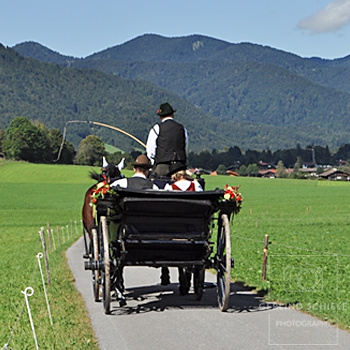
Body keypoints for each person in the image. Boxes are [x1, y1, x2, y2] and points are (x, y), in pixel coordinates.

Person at [146, 102, 188, 181]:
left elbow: (151, 151)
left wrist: (154, 161)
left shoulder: (156, 128)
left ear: (161, 116)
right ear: (172, 114)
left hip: (162, 166)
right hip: (180, 167)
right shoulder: (182, 128)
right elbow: (185, 146)